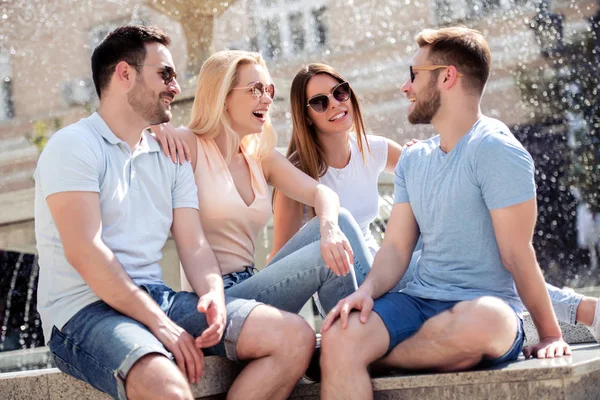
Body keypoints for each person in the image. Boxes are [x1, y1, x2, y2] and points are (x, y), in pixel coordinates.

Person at [34, 26, 315, 400]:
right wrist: (161, 326)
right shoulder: (73, 145)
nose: (176, 87)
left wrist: (214, 296)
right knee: (167, 386)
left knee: (294, 336)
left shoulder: (171, 156)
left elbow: (195, 245)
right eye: (165, 74)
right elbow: (86, 251)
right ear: (124, 74)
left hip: (158, 298)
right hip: (84, 312)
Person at [317, 26, 573, 399]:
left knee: (487, 320)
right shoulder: (414, 160)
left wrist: (550, 335)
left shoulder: (496, 150)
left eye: (413, 76)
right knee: (343, 332)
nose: (406, 88)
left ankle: (366, 355)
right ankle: (359, 350)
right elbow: (396, 249)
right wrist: (367, 292)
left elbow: (518, 254)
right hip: (418, 301)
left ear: (447, 76)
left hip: (482, 310)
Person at [271, 62, 600, 341]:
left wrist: (424, 153)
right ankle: (583, 310)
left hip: (387, 272)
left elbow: (436, 174)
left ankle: (580, 311)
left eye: (339, 92)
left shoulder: (373, 148)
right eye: (319, 102)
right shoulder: (297, 175)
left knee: (465, 251)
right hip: (347, 288)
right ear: (307, 115)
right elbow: (283, 261)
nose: (335, 104)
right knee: (456, 265)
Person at [151, 50, 375, 330]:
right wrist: (155, 125)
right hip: (215, 298)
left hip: (253, 285)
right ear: (223, 96)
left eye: (268, 89)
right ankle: (361, 332)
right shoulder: (190, 145)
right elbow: (128, 135)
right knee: (325, 258)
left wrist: (329, 227)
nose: (267, 98)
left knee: (339, 218)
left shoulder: (259, 156)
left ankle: (367, 322)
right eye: (256, 89)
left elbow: (324, 194)